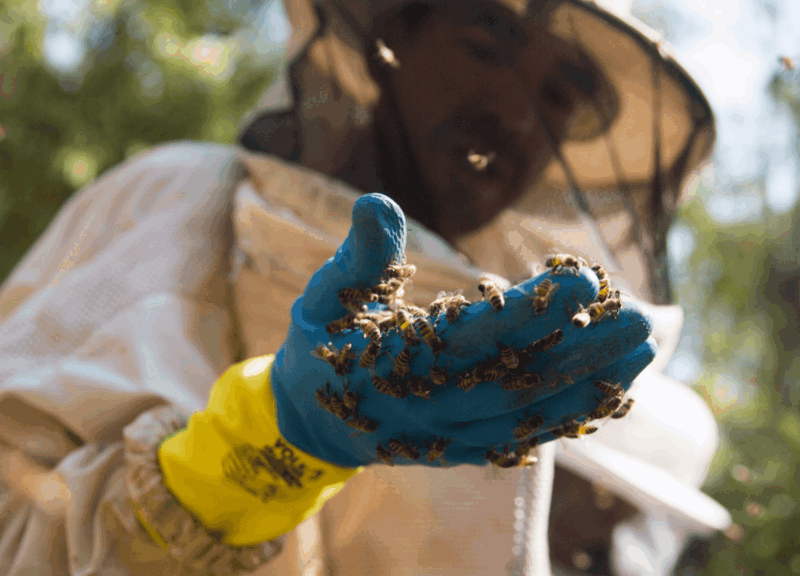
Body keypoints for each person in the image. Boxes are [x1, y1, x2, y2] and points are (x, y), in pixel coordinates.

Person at [0, 1, 725, 575]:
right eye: (484, 43)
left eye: (562, 93)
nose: (512, 112)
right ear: (393, 38)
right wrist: (264, 444)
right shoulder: (180, 195)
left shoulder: (501, 345)